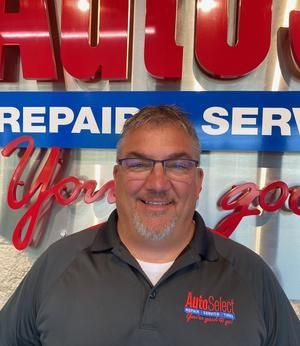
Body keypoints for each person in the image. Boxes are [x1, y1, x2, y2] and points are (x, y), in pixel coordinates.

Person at [0, 105, 299, 346]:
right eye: (138, 164)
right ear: (116, 179)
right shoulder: (58, 263)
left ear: (198, 182)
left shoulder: (250, 275)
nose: (157, 184)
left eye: (178, 165)